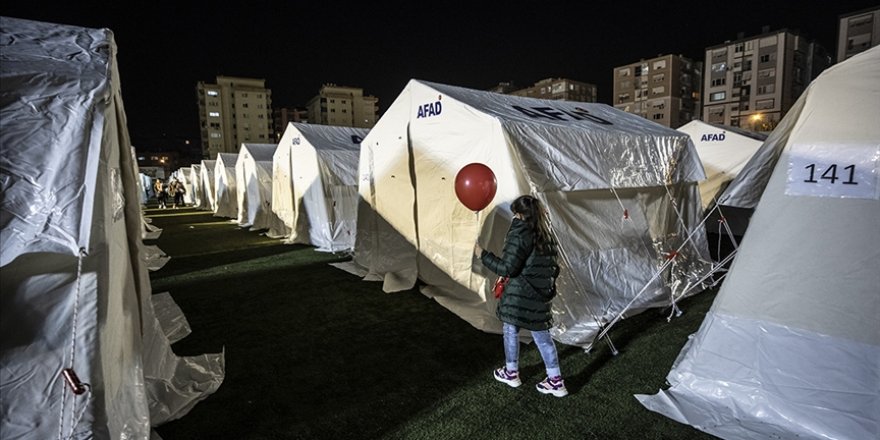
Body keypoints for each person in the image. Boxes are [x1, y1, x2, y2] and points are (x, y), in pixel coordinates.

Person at [474, 195, 567, 397]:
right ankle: (555, 380)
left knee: (510, 330)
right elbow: (553, 269)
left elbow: (509, 267)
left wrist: (482, 254)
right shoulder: (547, 234)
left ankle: (511, 372)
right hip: (539, 295)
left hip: (520, 294)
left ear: (518, 214)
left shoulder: (520, 232)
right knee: (543, 338)